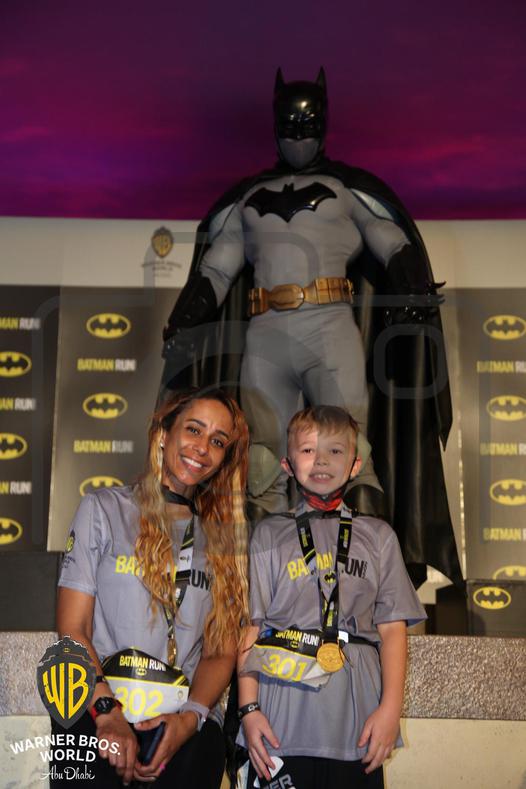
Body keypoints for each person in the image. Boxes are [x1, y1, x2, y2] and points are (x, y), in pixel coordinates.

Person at [160, 68, 462, 589]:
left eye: (308, 125)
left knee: (351, 449)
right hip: (267, 332)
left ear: (323, 124)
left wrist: (413, 293)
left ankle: (367, 581)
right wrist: (186, 319)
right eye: (290, 125)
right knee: (262, 461)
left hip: (329, 326)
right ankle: (263, 585)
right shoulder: (249, 199)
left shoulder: (348, 190)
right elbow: (216, 271)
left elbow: (392, 242)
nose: (299, 135)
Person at [52, 388, 250, 788]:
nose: (202, 448)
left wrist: (190, 720)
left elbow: (220, 651)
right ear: (162, 433)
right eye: (193, 430)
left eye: (217, 441)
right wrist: (107, 713)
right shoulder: (102, 509)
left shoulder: (224, 539)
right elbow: (73, 630)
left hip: (180, 726)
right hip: (96, 712)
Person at [236, 405, 426, 789]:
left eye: (335, 451)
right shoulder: (268, 535)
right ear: (288, 465)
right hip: (281, 719)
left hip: (357, 721)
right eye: (308, 450)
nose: (321, 460)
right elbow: (251, 629)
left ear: (355, 465)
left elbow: (392, 631)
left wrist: (390, 710)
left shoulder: (379, 536)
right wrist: (249, 710)